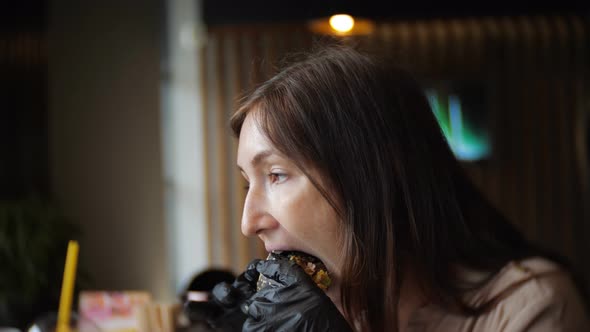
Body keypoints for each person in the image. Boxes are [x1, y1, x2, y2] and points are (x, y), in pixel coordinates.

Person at [210, 44, 590, 331]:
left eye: (276, 175)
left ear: (374, 177)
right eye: (248, 183)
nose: (249, 221)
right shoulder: (321, 310)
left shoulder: (530, 307)